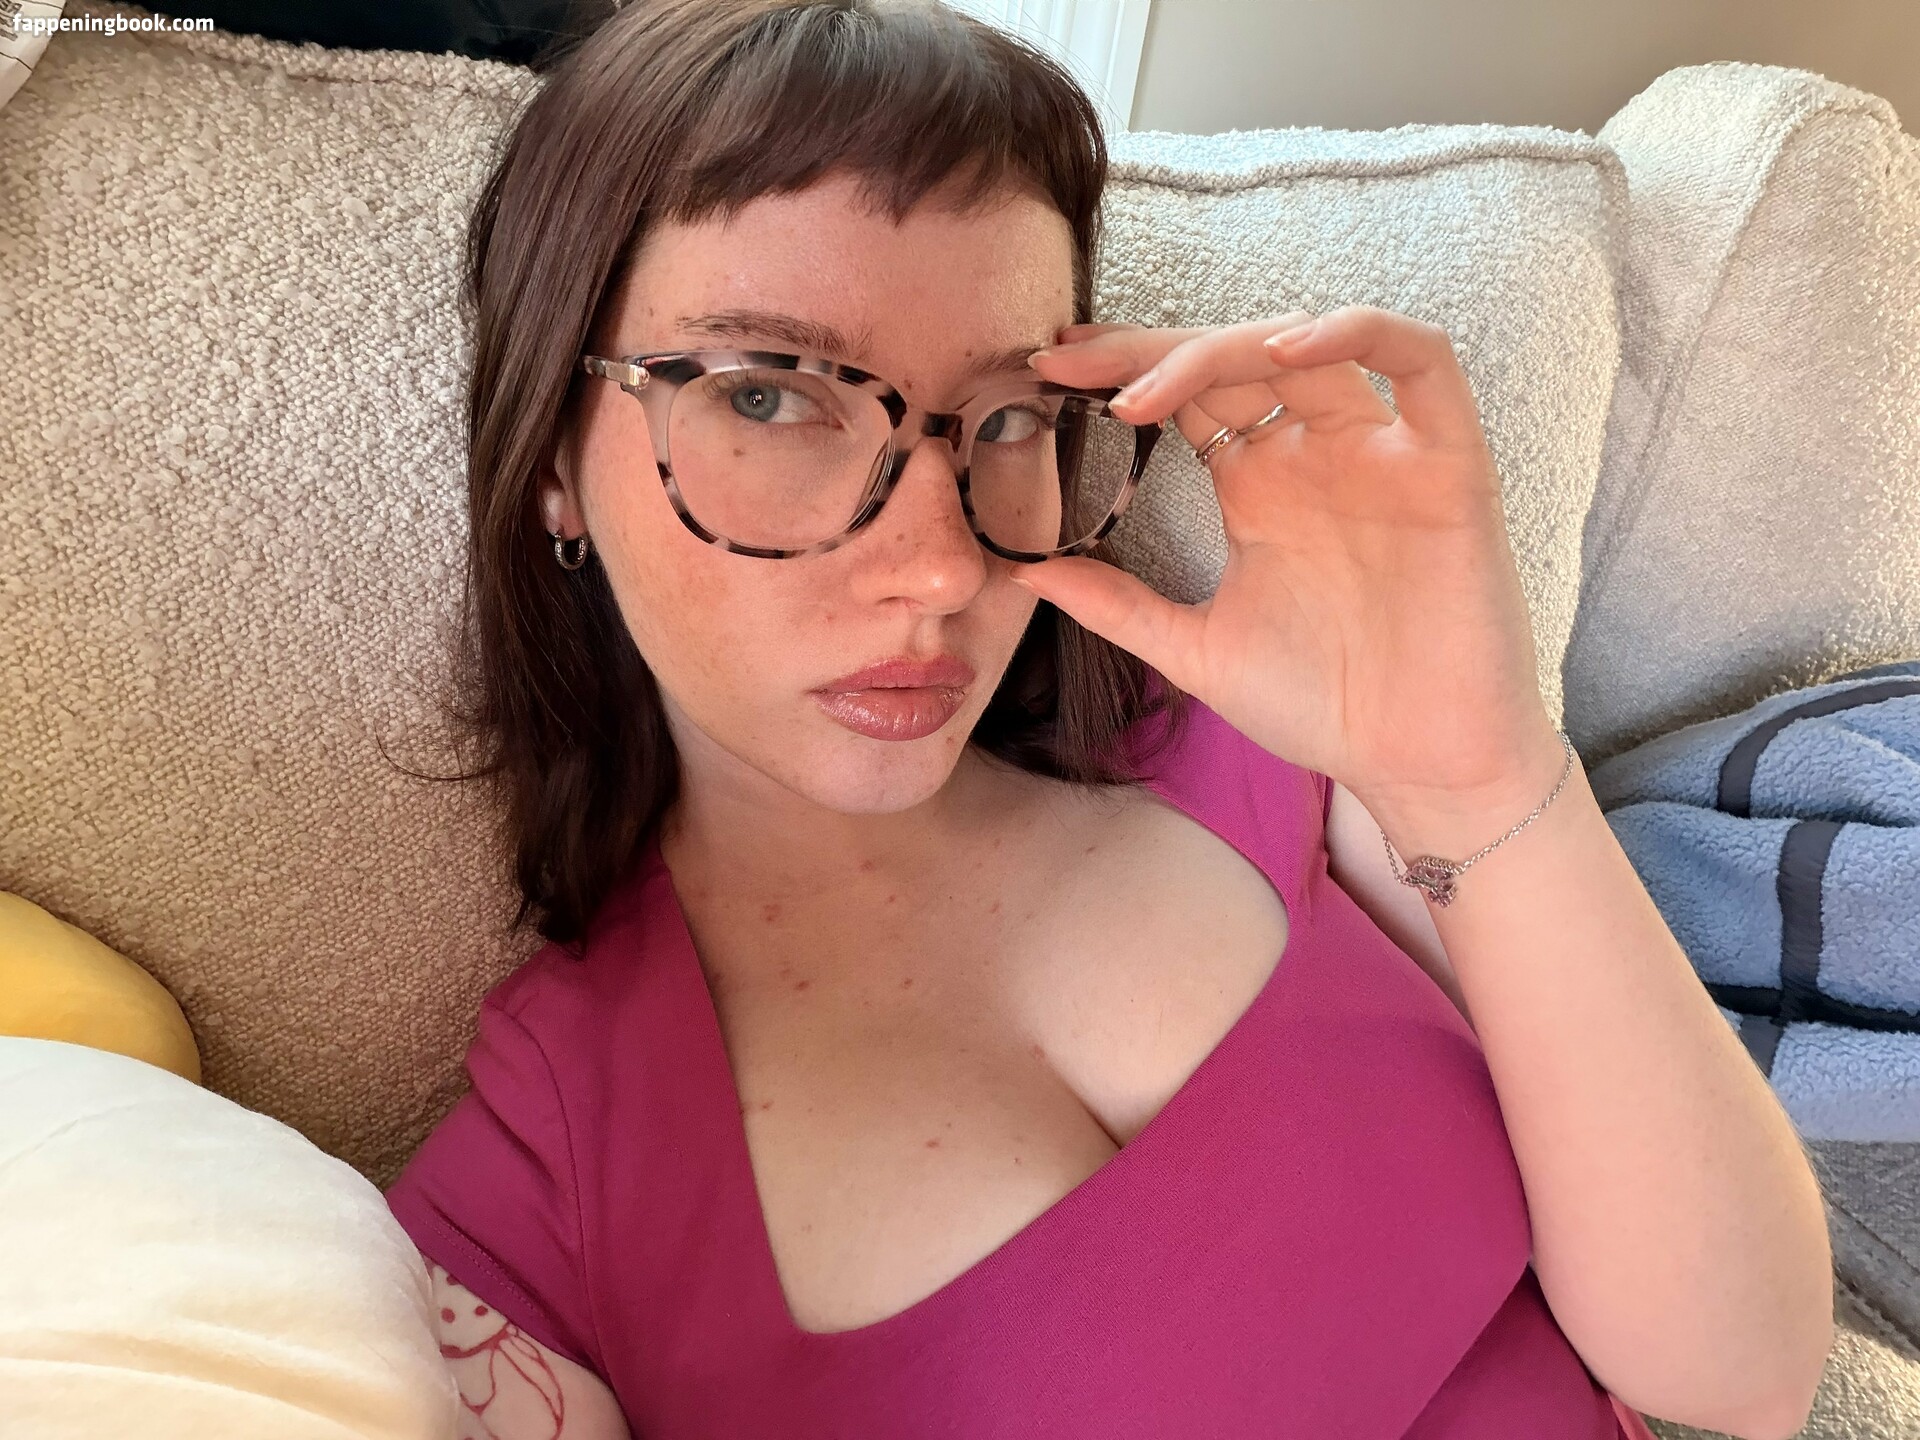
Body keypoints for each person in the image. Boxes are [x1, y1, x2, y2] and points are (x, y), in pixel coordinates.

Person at [382, 2, 1834, 1436]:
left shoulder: (1274, 752)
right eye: (767, 398)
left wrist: (1481, 768)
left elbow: (1741, 1376)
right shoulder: (527, 1197)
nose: (942, 567)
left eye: (1011, 414)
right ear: (553, 456)